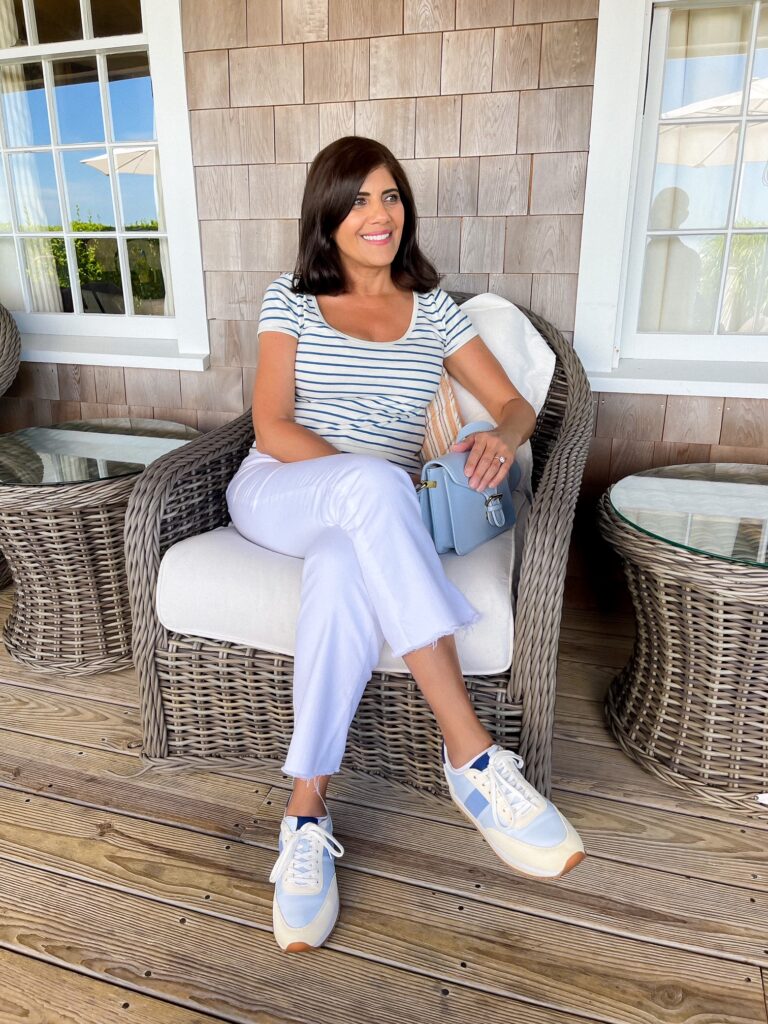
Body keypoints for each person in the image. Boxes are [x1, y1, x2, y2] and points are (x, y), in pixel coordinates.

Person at [225, 136, 585, 954]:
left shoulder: (434, 311)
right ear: (327, 213)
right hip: (279, 487)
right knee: (376, 487)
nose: (376, 215)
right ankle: (473, 754)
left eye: (389, 197)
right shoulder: (290, 298)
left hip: (365, 519)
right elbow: (272, 424)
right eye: (356, 200)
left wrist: (499, 437)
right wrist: (365, 480)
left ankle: (306, 814)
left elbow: (515, 405)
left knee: (349, 559)